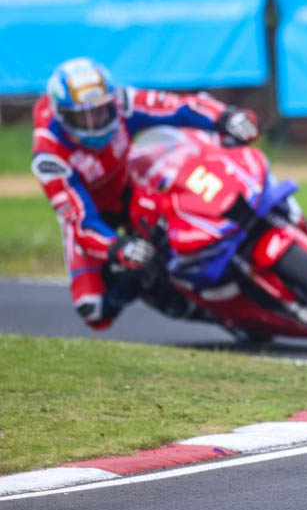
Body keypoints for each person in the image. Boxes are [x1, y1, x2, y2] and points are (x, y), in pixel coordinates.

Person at [32, 57, 259, 329]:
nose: (95, 124)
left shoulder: (123, 103)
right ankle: (196, 308)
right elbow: (80, 221)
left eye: (101, 112)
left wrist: (225, 117)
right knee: (93, 310)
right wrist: (117, 248)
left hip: (134, 186)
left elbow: (177, 106)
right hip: (97, 218)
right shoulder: (50, 156)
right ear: (63, 116)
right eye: (83, 116)